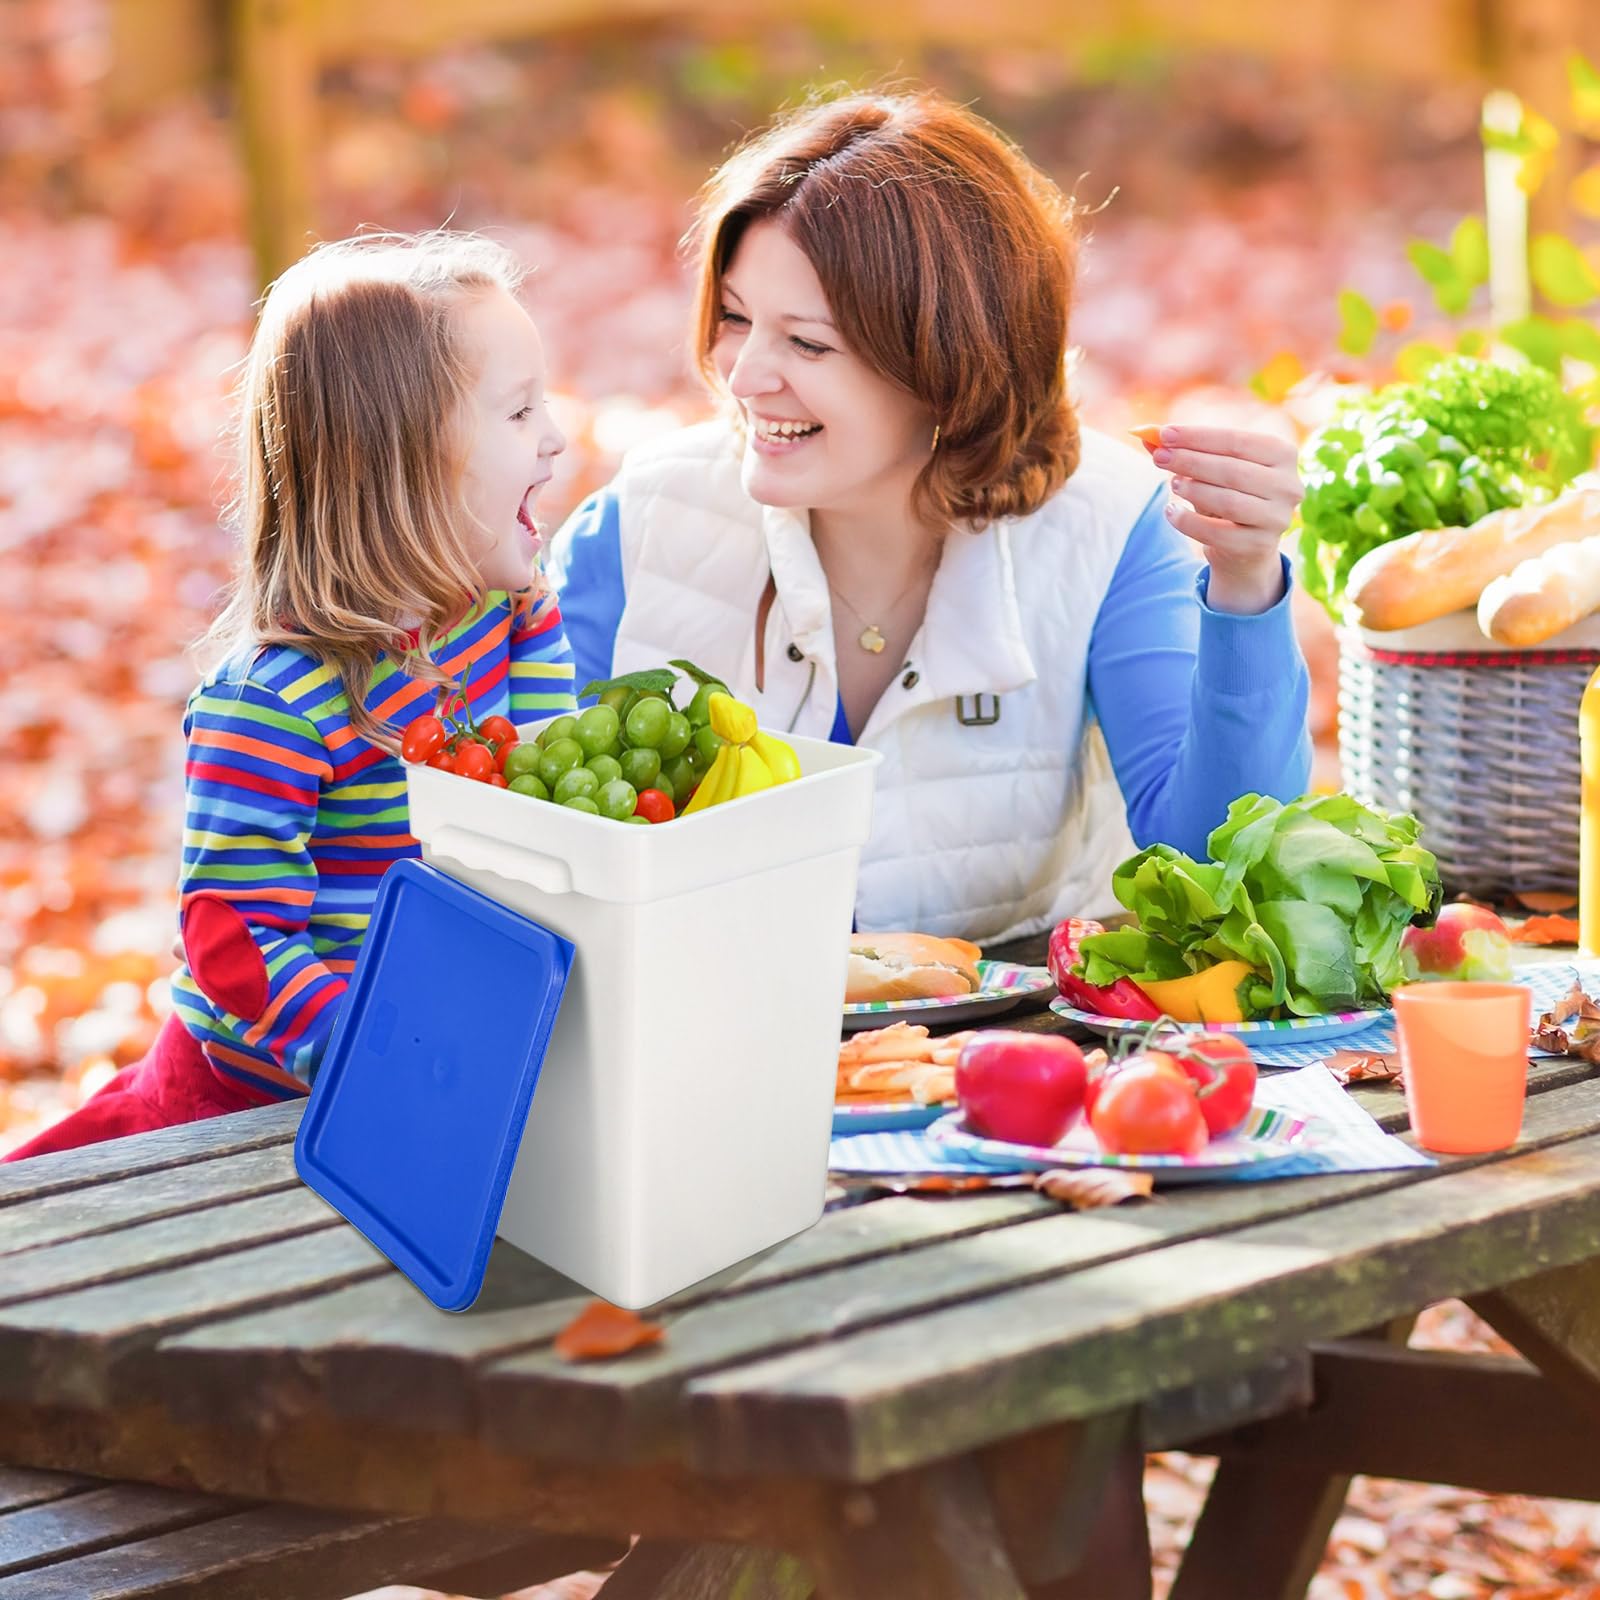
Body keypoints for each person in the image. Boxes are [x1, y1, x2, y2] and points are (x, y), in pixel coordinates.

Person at [546, 90, 1311, 1599]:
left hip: (982, 1139)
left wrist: (1245, 584)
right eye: (737, 321)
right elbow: (527, 847)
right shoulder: (650, 522)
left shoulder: (1107, 533)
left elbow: (1219, 866)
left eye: (807, 345)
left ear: (948, 368)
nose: (746, 378)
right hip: (684, 1141)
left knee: (1027, 1425)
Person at [6, 231, 575, 1162]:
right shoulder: (274, 707)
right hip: (243, 1112)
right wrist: (381, 1058)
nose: (555, 437)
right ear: (400, 461)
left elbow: (547, 797)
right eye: (518, 414)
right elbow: (239, 945)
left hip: (432, 1072)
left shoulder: (509, 613)